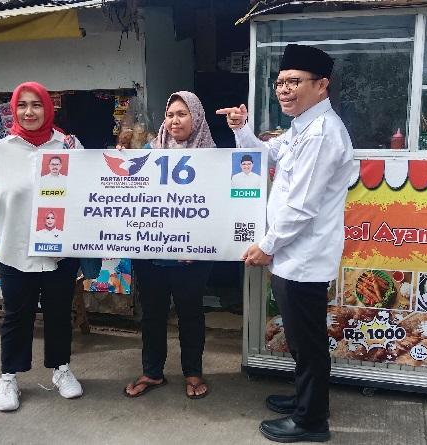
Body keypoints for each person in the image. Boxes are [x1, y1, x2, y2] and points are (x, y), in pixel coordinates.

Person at [217, 44, 354, 443]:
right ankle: (304, 401)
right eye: (279, 83)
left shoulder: (323, 134)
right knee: (299, 338)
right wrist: (242, 128)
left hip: (304, 255)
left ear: (322, 85)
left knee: (307, 342)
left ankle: (312, 422)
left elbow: (302, 205)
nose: (283, 90)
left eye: (294, 82)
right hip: (293, 255)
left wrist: (268, 245)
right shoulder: (301, 128)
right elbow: (262, 154)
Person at [0, 81, 86, 412]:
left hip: (59, 251)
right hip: (15, 249)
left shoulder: (67, 146)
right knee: (16, 317)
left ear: (48, 108)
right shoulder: (0, 150)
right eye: (22, 105)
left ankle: (60, 370)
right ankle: (8, 378)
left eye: (36, 105)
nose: (29, 112)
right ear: (14, 109)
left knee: (59, 314)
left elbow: (87, 187)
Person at [121, 91, 216, 400]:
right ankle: (152, 371)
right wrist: (122, 161)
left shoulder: (213, 156)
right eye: (171, 114)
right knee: (152, 314)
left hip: (192, 255)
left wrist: (196, 242)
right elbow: (132, 197)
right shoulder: (147, 152)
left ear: (197, 117)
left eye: (182, 114)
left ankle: (192, 372)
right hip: (151, 255)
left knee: (190, 314)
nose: (175, 120)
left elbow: (217, 207)